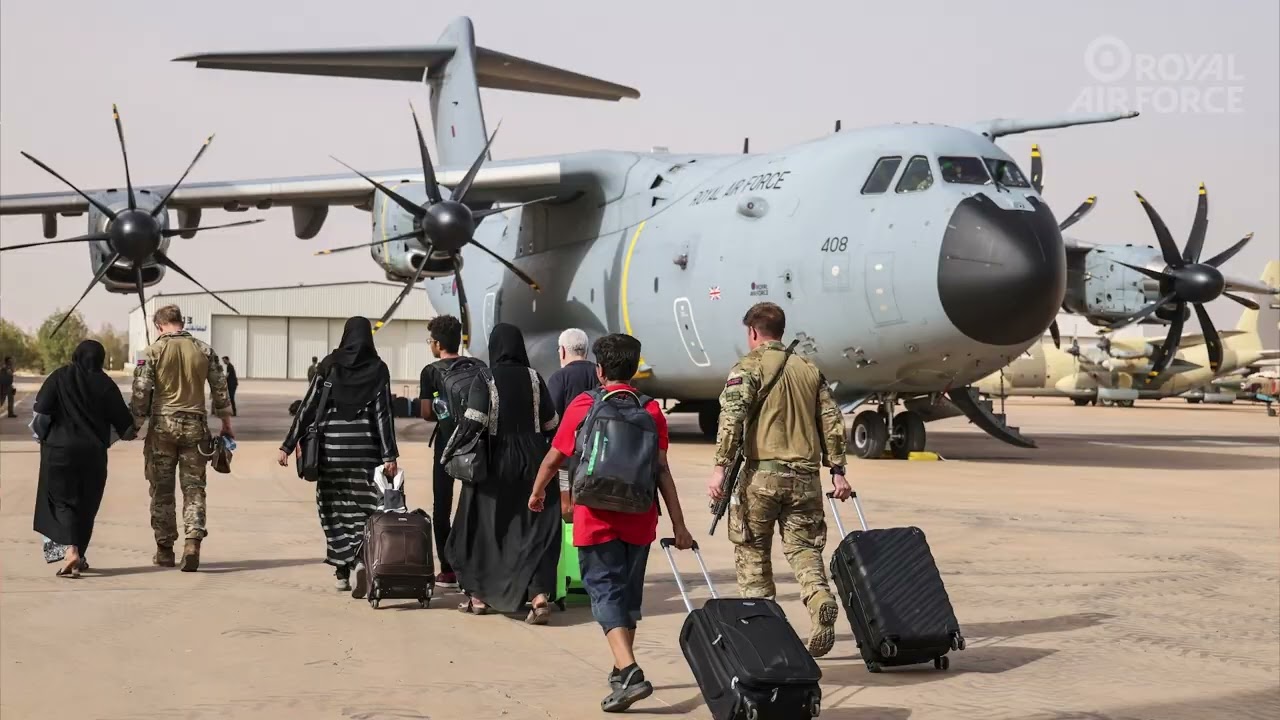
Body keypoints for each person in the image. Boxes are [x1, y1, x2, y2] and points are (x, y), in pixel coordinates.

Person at [529, 333, 694, 713]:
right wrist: (679, 525)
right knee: (628, 599)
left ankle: (631, 672)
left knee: (604, 594)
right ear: (634, 370)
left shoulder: (585, 404)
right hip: (640, 518)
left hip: (595, 517)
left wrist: (537, 492)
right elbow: (662, 471)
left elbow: (555, 458)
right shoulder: (651, 411)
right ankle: (621, 672)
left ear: (599, 370)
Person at [707, 301, 851, 658]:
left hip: (762, 477)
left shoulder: (748, 367)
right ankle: (818, 597)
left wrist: (720, 468)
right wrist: (837, 471)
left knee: (753, 553)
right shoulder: (809, 369)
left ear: (753, 332)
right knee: (804, 549)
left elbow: (731, 418)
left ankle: (765, 635)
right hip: (805, 479)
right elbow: (832, 422)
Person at [444, 323, 560, 622]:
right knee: (534, 529)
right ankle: (538, 595)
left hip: (495, 462)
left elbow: (474, 421)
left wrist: (451, 450)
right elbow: (551, 424)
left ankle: (480, 597)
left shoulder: (485, 377)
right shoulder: (535, 378)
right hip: (534, 461)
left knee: (481, 526)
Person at [279, 317, 399, 593]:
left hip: (331, 453)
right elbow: (384, 414)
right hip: (366, 454)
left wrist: (288, 444)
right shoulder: (378, 369)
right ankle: (359, 559)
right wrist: (389, 455)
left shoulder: (329, 365)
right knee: (366, 509)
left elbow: (308, 406)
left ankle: (342, 570)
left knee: (332, 509)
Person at [131, 305, 233, 572]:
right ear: (181, 323)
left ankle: (165, 550)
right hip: (195, 428)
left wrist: (134, 425)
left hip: (162, 429)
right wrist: (226, 424)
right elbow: (220, 389)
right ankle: (192, 543)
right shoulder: (204, 350)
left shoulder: (151, 352)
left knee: (162, 490)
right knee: (194, 488)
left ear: (159, 326)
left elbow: (141, 391)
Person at [33, 340, 136, 577]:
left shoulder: (59, 377)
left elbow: (41, 413)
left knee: (61, 502)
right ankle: (79, 555)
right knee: (86, 505)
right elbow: (125, 427)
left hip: (58, 452)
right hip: (93, 455)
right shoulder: (105, 384)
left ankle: (70, 551)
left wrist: (42, 438)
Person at [417, 314, 485, 587]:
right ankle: (475, 563)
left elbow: (426, 413)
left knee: (442, 505)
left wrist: (444, 413)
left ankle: (447, 569)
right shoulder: (478, 366)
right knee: (476, 503)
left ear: (436, 344)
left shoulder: (431, 371)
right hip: (476, 444)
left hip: (446, 445)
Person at [547, 328, 599, 418]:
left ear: (562, 351)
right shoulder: (601, 373)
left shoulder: (558, 378)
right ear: (586, 351)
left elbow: (552, 416)